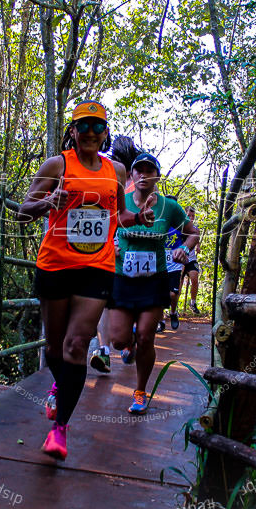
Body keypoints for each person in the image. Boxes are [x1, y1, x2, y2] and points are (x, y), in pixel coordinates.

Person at [19, 102, 153, 460]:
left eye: (98, 126)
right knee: (55, 347)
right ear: (74, 132)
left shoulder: (117, 170)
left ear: (105, 132)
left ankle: (60, 428)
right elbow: (21, 213)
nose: (92, 132)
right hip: (56, 265)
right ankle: (58, 385)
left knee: (77, 346)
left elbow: (117, 215)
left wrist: (139, 217)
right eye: (84, 126)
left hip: (97, 266)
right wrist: (48, 201)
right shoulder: (57, 165)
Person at [108, 153, 200, 414]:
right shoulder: (120, 202)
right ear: (132, 175)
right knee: (118, 340)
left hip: (154, 279)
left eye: (150, 171)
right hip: (123, 279)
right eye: (139, 170)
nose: (144, 175)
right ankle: (130, 343)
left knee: (148, 336)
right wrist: (110, 247)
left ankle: (140, 392)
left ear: (157, 177)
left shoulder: (168, 208)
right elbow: (105, 230)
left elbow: (192, 232)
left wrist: (183, 249)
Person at [89, 136, 140, 374]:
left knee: (111, 303)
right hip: (111, 248)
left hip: (127, 249)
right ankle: (105, 350)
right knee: (106, 301)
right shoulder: (109, 175)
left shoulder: (137, 179)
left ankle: (115, 346)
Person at [162, 194, 186, 332]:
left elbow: (192, 237)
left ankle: (173, 312)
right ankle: (160, 321)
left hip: (174, 263)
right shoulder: (158, 220)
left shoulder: (181, 224)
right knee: (158, 294)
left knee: (172, 294)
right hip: (159, 263)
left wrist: (184, 251)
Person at [182, 206, 202, 315]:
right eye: (188, 215)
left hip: (191, 259)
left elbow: (197, 242)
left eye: (193, 216)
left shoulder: (196, 229)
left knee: (194, 277)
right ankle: (173, 308)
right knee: (178, 284)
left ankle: (193, 303)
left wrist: (198, 247)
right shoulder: (180, 227)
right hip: (180, 260)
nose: (191, 218)